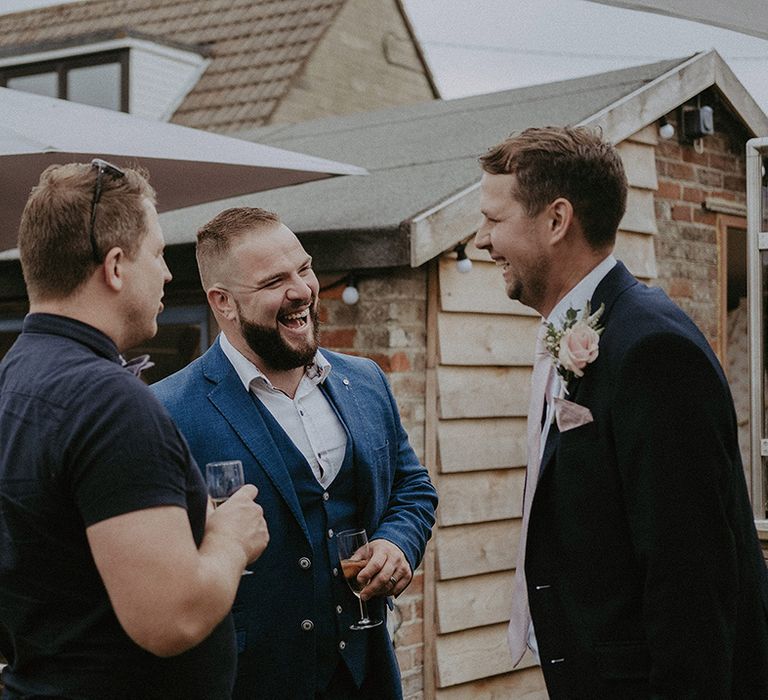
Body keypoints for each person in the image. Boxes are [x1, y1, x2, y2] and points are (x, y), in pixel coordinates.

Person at [475, 126, 768, 698]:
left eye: (494, 219)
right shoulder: (575, 330)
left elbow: (691, 573)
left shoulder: (653, 350)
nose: (482, 239)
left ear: (557, 220)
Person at [0, 161, 269, 700]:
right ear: (116, 266)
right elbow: (171, 619)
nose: (169, 274)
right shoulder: (109, 402)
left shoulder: (15, 378)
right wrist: (229, 540)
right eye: (159, 253)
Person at [151, 207, 438, 700]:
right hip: (249, 679)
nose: (303, 290)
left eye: (304, 268)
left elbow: (413, 488)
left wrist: (396, 543)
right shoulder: (168, 410)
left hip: (366, 672)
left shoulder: (365, 380)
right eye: (274, 281)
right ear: (223, 302)